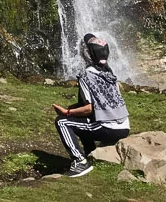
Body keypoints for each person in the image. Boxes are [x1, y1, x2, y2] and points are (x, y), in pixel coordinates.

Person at [52, 33, 130, 177]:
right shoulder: (109, 73)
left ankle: (80, 161)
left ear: (87, 54)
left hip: (108, 127)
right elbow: (101, 103)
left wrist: (67, 113)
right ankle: (90, 154)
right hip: (124, 126)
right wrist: (71, 109)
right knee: (81, 122)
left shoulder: (87, 75)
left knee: (62, 122)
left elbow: (89, 109)